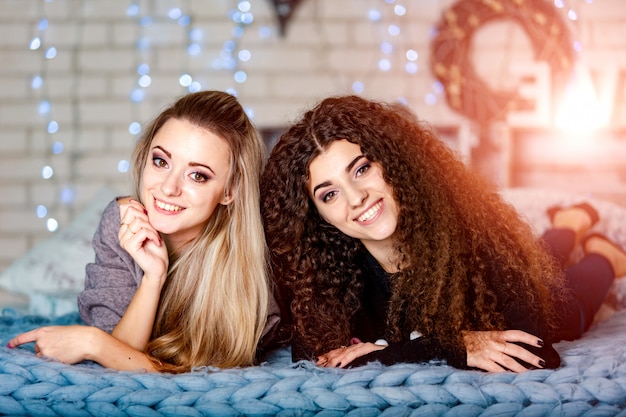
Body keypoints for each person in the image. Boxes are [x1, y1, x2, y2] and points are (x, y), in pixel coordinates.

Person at [261, 94, 626, 373]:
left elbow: (536, 353)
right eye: (329, 193)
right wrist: (450, 346)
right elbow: (316, 364)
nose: (356, 198)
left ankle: (597, 247)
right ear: (318, 215)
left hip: (514, 275)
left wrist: (389, 352)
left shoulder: (471, 236)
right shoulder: (326, 277)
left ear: (394, 161)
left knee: (567, 310)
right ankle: (568, 225)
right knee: (542, 260)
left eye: (361, 169)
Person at [8, 90, 280, 373]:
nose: (168, 188)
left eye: (197, 175)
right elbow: (117, 356)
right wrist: (153, 277)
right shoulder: (124, 221)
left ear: (230, 190)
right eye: (161, 161)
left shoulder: (251, 258)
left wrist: (92, 342)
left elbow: (199, 373)